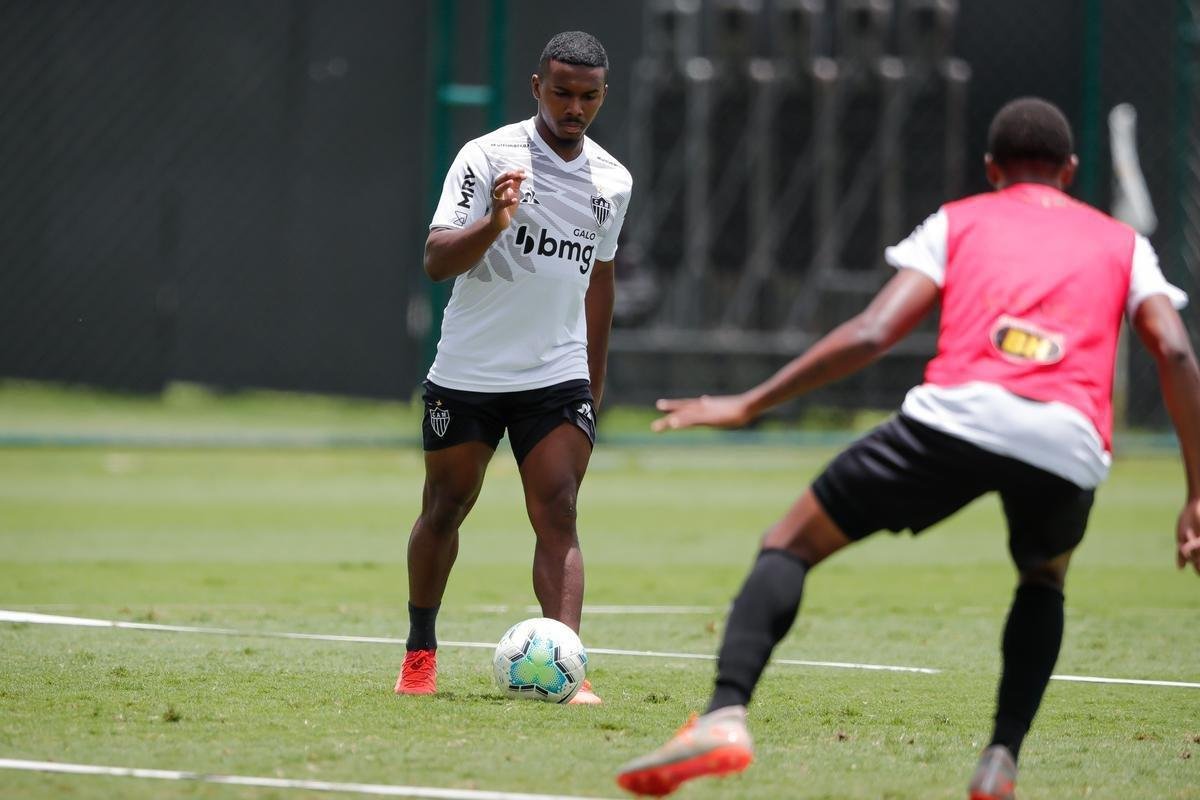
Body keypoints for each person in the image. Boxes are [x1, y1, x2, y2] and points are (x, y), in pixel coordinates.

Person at [615, 97, 1200, 798]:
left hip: (953, 419)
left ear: (991, 169)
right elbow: (1173, 349)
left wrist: (748, 402)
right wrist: (1196, 493)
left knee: (790, 543)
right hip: (1067, 439)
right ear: (1070, 172)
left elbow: (872, 331)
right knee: (1043, 578)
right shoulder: (1122, 242)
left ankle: (726, 714)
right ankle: (1000, 761)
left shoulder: (959, 219)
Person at [395, 31, 632, 706]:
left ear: (603, 95)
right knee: (444, 507)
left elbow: (600, 283)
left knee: (558, 510)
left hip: (554, 376)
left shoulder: (612, 181)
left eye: (588, 96)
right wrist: (496, 221)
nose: (574, 107)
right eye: (561, 92)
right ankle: (419, 654)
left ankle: (567, 668)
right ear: (536, 88)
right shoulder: (488, 157)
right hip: (468, 371)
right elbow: (438, 260)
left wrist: (595, 381)